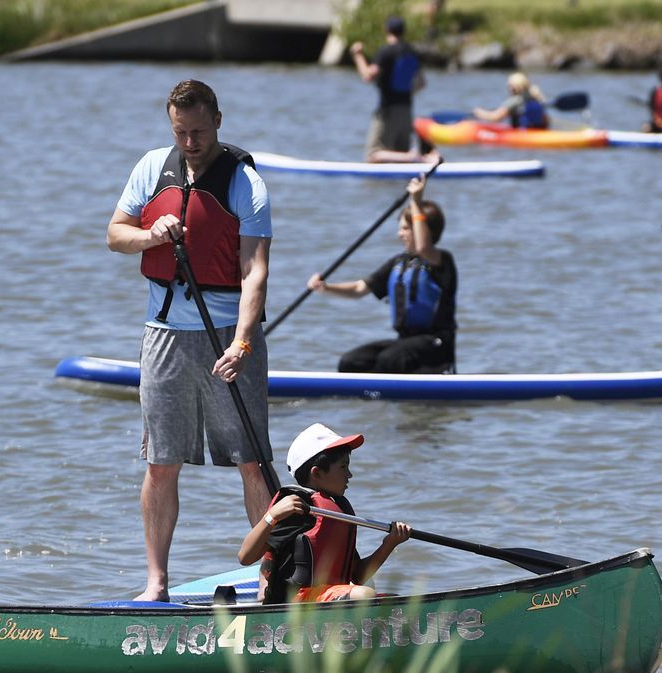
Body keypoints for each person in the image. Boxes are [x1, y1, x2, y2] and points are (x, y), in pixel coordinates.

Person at [107, 79, 274, 603]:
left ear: (218, 121)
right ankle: (156, 581)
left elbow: (256, 271)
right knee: (161, 462)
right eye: (181, 132)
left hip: (227, 335)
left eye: (199, 131)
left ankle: (272, 575)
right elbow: (116, 234)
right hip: (164, 337)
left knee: (252, 460)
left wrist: (243, 341)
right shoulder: (152, 168)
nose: (190, 142)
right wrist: (152, 235)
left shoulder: (245, 183)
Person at [238, 423, 410, 604]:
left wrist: (390, 543)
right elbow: (245, 556)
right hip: (294, 601)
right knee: (363, 594)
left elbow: (359, 574)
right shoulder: (296, 508)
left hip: (326, 596)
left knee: (392, 600)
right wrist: (272, 516)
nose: (349, 475)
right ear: (317, 473)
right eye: (343, 467)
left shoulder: (337, 511)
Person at [306, 173, 456, 374]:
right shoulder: (399, 263)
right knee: (351, 362)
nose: (399, 234)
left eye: (405, 228)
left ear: (423, 230)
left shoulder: (442, 262)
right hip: (406, 342)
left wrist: (416, 202)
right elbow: (360, 289)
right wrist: (325, 288)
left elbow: (422, 248)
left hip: (437, 345)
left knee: (391, 359)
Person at [349, 15, 432, 163]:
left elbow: (368, 75)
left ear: (386, 30)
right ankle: (410, 160)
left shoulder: (386, 52)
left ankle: (414, 156)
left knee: (373, 156)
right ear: (403, 31)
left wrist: (358, 55)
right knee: (399, 159)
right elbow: (421, 83)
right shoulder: (412, 52)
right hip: (406, 110)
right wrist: (406, 93)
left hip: (387, 110)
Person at [474, 72, 552, 130]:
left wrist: (478, 112)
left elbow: (495, 117)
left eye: (510, 85)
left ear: (515, 87)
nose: (509, 88)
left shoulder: (513, 101)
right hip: (539, 131)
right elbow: (546, 119)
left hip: (523, 133)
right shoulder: (535, 97)